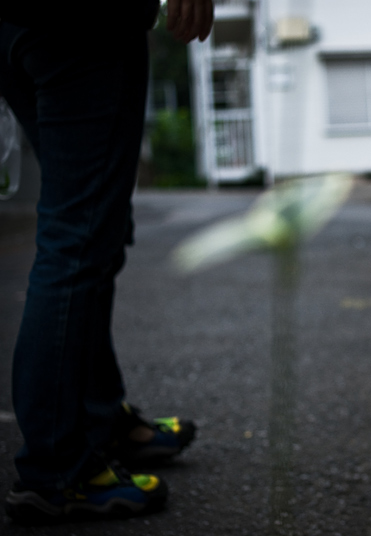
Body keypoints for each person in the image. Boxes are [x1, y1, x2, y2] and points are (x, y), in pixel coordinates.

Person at [0, 0, 214, 522]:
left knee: (94, 224)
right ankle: (56, 468)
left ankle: (95, 420)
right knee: (77, 238)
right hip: (83, 24)